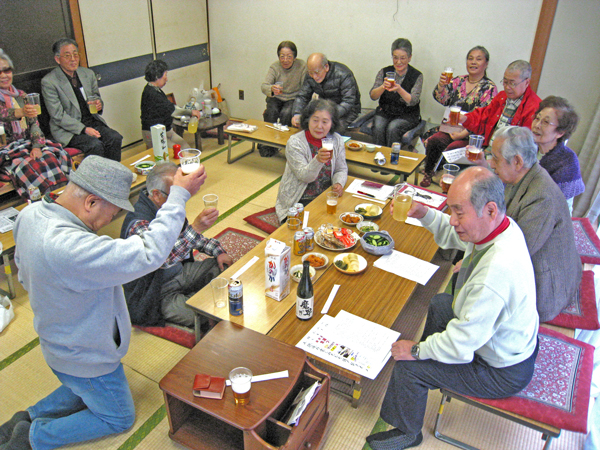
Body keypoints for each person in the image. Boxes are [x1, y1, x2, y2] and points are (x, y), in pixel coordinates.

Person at [2, 155, 206, 449]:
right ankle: (33, 437)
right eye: (112, 212)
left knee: (81, 387)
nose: (112, 220)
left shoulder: (31, 214)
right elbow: (149, 253)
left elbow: (22, 273)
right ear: (91, 202)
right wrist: (179, 195)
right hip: (85, 354)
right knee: (117, 417)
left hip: (57, 339)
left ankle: (27, 416)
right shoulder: (69, 247)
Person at [367, 166, 539, 450]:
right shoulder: (499, 228)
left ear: (491, 210)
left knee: (409, 368)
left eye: (459, 212)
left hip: (502, 368)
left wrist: (416, 351)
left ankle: (408, 432)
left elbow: (463, 343)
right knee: (440, 303)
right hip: (508, 341)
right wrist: (425, 214)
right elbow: (456, 235)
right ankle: (431, 366)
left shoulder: (497, 272)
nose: (453, 220)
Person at [120, 162, 233, 327]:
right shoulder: (139, 223)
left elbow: (187, 237)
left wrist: (218, 251)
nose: (181, 198)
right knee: (204, 315)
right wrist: (196, 227)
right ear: (157, 194)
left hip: (181, 273)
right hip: (157, 290)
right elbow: (161, 260)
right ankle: (194, 301)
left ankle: (195, 296)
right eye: (176, 193)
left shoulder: (168, 206)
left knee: (222, 269)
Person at [488, 126, 581, 322]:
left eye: (495, 158)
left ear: (517, 161)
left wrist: (474, 261)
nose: (491, 163)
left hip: (545, 289)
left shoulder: (542, 198)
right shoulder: (526, 175)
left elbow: (516, 253)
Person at [420, 46, 498, 187]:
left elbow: (485, 118)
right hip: (451, 128)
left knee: (454, 147)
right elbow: (443, 99)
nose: (473, 62)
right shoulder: (458, 81)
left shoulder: (489, 88)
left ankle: (451, 181)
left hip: (471, 134)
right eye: (470, 58)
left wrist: (462, 134)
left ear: (486, 64)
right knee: (434, 140)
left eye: (478, 59)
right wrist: (441, 86)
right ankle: (429, 172)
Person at [0, 49, 72, 201]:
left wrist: (36, 147)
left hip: (26, 144)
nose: (4, 75)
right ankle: (42, 205)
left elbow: (34, 125)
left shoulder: (22, 96)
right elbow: (4, 114)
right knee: (29, 166)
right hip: (5, 150)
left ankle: (64, 199)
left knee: (50, 158)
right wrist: (21, 112)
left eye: (6, 70)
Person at [42, 38, 123, 161]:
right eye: (67, 56)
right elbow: (57, 115)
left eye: (75, 54)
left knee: (115, 138)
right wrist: (83, 129)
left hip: (91, 121)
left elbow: (96, 97)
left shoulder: (87, 74)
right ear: (57, 59)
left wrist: (98, 104)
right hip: (68, 130)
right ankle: (95, 179)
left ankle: (114, 174)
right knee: (95, 145)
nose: (73, 59)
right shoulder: (49, 82)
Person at [276, 99, 348, 222]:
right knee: (315, 229)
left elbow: (341, 168)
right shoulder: (295, 142)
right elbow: (305, 176)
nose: (319, 126)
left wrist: (338, 183)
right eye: (315, 120)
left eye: (325, 122)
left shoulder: (336, 139)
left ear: (332, 123)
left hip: (325, 195)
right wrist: (318, 160)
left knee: (346, 219)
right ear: (307, 119)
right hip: (299, 199)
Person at [459, 60, 541, 149]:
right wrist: (465, 118)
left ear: (527, 82)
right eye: (505, 82)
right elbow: (483, 116)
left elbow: (524, 145)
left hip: (508, 157)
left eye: (512, 83)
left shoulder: (534, 107)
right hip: (488, 149)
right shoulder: (502, 97)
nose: (507, 87)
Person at [532, 95, 584, 212]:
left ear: (560, 132)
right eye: (537, 118)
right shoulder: (528, 147)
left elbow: (552, 206)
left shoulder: (567, 161)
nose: (537, 125)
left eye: (545, 122)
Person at [369, 38, 423, 148]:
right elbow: (373, 96)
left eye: (402, 58)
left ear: (409, 58)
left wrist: (399, 89)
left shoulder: (417, 75)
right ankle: (379, 158)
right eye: (395, 58)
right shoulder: (384, 72)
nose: (398, 62)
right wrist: (383, 86)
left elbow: (413, 101)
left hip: (407, 114)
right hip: (386, 111)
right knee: (378, 127)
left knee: (393, 128)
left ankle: (392, 160)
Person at [259, 41, 307, 157]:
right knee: (271, 112)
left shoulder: (302, 66)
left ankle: (282, 144)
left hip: (293, 98)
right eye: (282, 56)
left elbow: (305, 88)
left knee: (287, 113)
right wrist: (272, 88)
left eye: (289, 56)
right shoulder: (275, 67)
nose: (285, 60)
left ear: (294, 57)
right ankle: (267, 143)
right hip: (277, 97)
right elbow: (264, 86)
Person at [291, 53, 360, 133]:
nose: (314, 76)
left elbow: (348, 102)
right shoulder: (310, 75)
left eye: (317, 72)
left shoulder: (343, 74)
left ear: (326, 67)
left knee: (333, 127)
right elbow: (302, 96)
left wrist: (329, 114)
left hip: (346, 111)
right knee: (304, 123)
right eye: (311, 73)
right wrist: (297, 114)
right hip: (324, 108)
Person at [141, 59, 201, 151]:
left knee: (187, 149)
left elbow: (168, 107)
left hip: (167, 131)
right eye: (165, 75)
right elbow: (173, 111)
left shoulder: (155, 89)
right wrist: (191, 112)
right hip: (154, 134)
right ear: (157, 76)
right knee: (178, 152)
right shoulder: (151, 93)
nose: (167, 79)